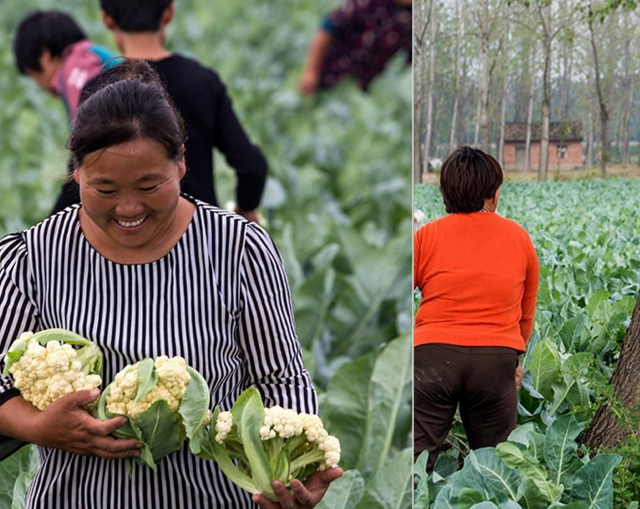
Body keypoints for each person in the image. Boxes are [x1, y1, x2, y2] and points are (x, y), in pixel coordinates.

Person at [0, 61, 340, 509]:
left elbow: (280, 378)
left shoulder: (239, 249)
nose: (127, 208)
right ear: (77, 172)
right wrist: (38, 428)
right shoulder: (33, 256)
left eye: (148, 184)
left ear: (181, 162)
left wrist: (294, 466)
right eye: (104, 189)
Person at [413, 146, 539, 474]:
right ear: (493, 194)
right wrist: (514, 361)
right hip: (494, 360)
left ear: (445, 194)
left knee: (414, 464)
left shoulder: (425, 236)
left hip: (432, 358)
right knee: (499, 467)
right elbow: (526, 313)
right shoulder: (519, 238)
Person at [97, 0, 268, 223]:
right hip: (200, 234)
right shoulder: (201, 80)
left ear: (106, 19)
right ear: (169, 12)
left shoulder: (100, 89)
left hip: (128, 235)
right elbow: (251, 165)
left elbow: (80, 175)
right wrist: (246, 210)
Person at [13, 10, 119, 215]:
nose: (39, 86)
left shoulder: (75, 68)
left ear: (44, 57)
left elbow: (94, 131)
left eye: (33, 75)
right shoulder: (91, 53)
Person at [299, 0, 412, 96]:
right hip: (328, 72)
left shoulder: (415, 20)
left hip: (362, 91)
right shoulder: (371, 2)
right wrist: (311, 70)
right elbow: (328, 28)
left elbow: (411, 63)